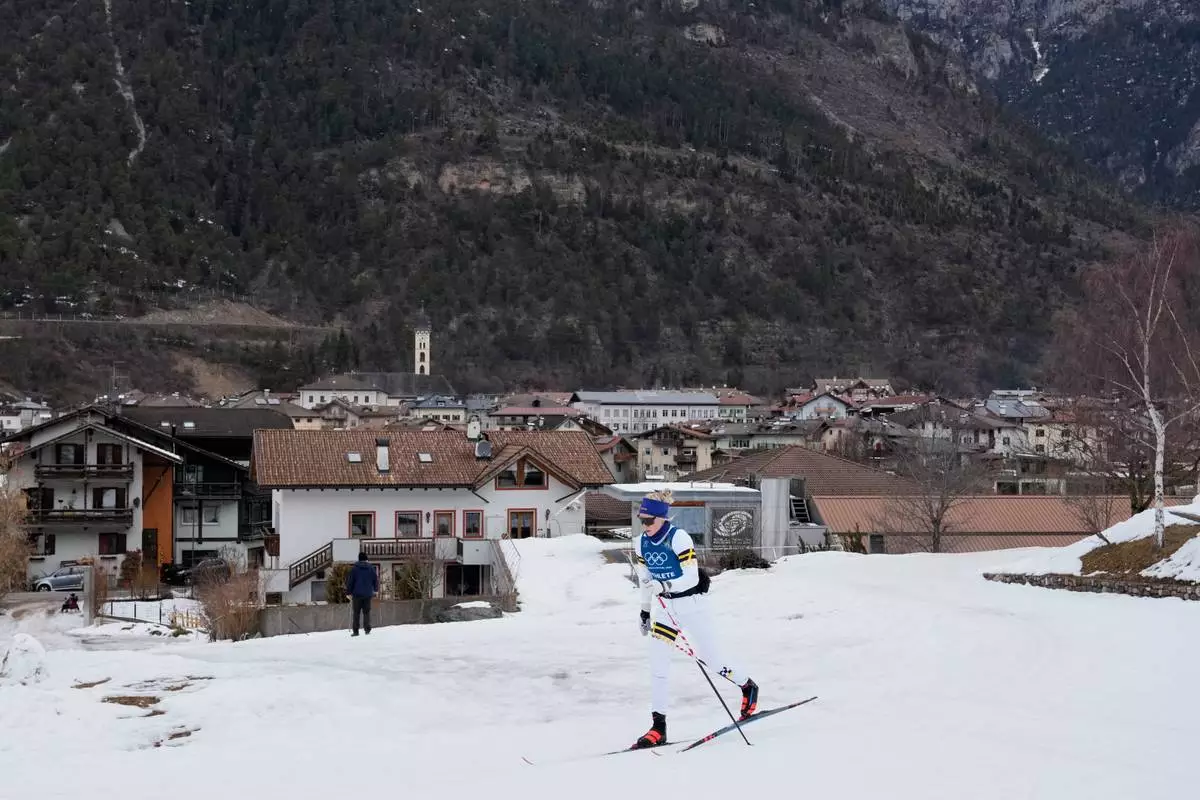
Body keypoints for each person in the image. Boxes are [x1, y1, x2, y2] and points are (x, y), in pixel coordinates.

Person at [631, 489, 759, 749]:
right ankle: (658, 728)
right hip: (666, 609)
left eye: (649, 521)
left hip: (693, 606)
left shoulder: (678, 538)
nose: (645, 526)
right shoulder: (640, 543)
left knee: (713, 661)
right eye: (641, 520)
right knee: (658, 665)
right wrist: (645, 611)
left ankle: (747, 686)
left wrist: (664, 585)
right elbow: (646, 580)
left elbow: (690, 577)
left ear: (662, 518)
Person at [344, 552, 379, 636]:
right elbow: (375, 579)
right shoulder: (371, 568)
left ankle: (356, 631)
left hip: (357, 594)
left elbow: (350, 581)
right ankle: (367, 629)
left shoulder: (354, 569)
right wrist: (376, 590)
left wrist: (348, 593)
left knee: (356, 613)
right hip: (367, 594)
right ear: (366, 559)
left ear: (359, 559)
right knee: (366, 612)